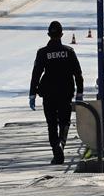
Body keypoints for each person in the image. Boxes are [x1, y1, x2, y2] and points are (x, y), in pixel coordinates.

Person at [29, 21, 84, 164]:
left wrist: (32, 94)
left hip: (49, 94)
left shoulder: (43, 53)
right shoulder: (69, 51)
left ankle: (56, 150)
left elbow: (36, 74)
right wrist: (80, 93)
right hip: (66, 93)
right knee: (65, 121)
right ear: (61, 35)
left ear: (49, 34)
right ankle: (61, 143)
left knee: (51, 123)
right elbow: (78, 73)